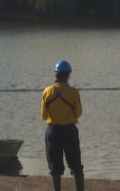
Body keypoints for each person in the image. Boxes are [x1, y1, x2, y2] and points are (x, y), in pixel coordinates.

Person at [41, 60, 83, 191]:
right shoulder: (74, 92)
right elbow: (78, 113)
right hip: (69, 131)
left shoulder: (47, 91)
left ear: (56, 74)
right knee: (75, 165)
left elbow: (43, 115)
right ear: (68, 75)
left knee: (54, 166)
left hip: (52, 131)